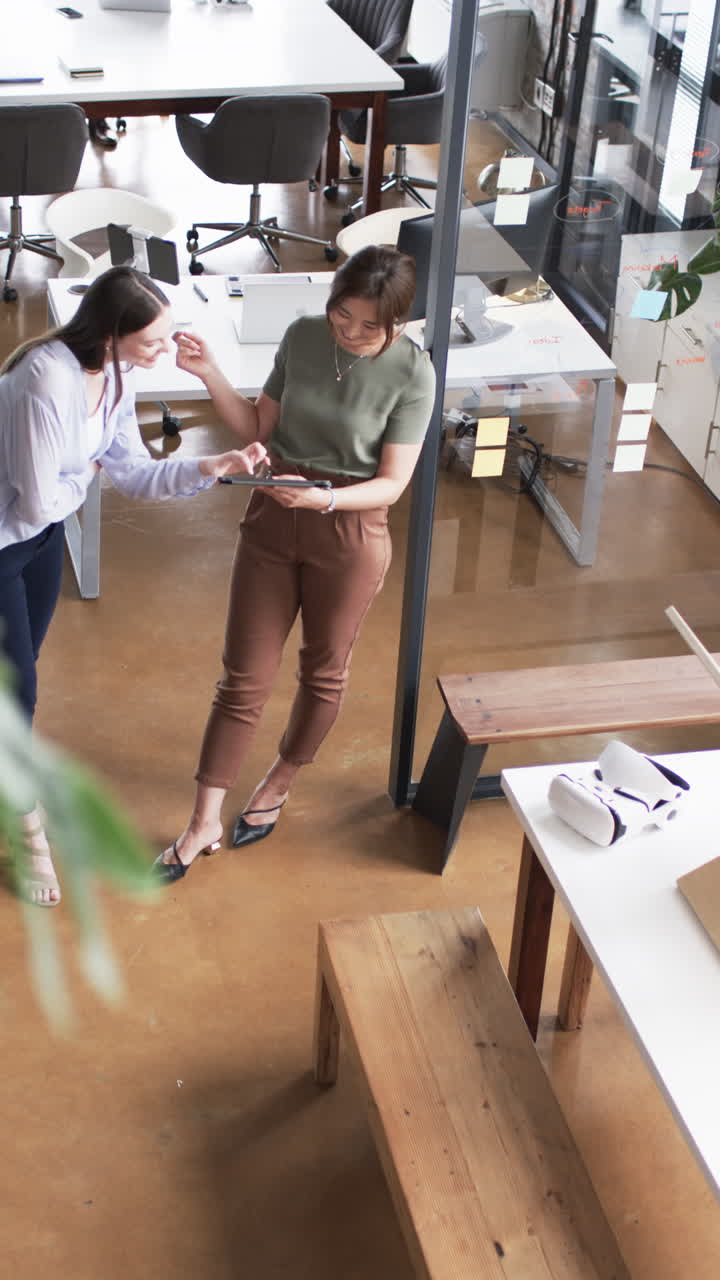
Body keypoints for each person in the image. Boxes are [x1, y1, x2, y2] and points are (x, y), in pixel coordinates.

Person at [154, 245, 436, 883]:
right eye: (343, 317)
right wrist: (210, 375)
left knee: (323, 674)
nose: (352, 333)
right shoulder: (305, 337)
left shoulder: (414, 374)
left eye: (369, 326)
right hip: (272, 518)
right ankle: (203, 823)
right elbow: (258, 426)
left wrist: (326, 498)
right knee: (243, 678)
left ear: (397, 320)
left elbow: (392, 484)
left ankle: (280, 778)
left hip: (349, 531)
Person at [0, 265, 267, 907]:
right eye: (153, 341)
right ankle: (25, 829)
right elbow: (37, 503)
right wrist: (84, 476)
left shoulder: (115, 375)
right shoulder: (46, 380)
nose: (162, 353)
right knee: (20, 693)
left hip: (34, 542)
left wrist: (213, 464)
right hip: (7, 539)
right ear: (114, 332)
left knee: (17, 673)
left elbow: (133, 474)